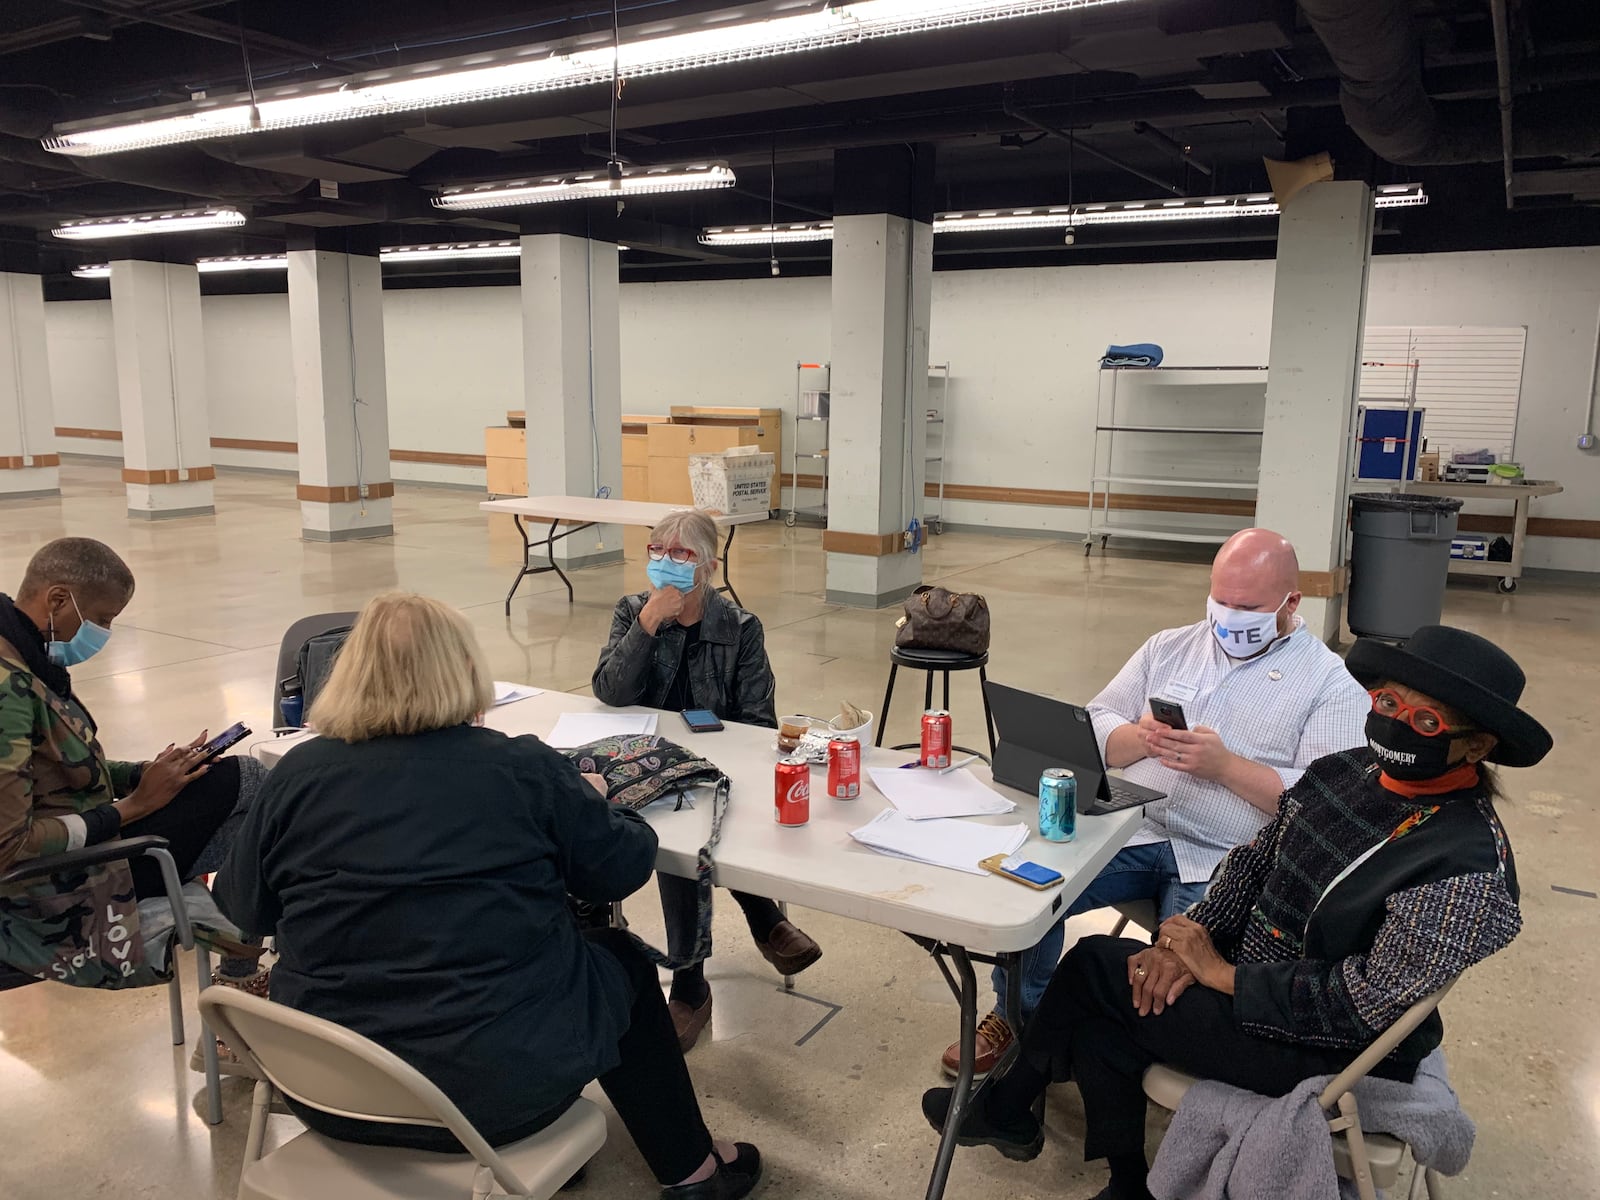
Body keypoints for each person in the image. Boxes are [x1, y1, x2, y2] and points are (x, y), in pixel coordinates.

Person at [923, 624, 1549, 1200]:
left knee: (1094, 967)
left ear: (1479, 745)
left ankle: (1012, 1108)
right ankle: (1113, 1173)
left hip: (1330, 1048)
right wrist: (1188, 937)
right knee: (1122, 990)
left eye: (1426, 721)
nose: (1395, 724)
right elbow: (1254, 861)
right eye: (1386, 704)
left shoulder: (1470, 869)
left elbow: (1362, 1005)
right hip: (1255, 982)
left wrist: (1220, 974)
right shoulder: (1346, 772)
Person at [214, 592, 762, 1200]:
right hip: (495, 1100)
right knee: (622, 960)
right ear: (465, 672)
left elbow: (242, 909)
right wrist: (593, 801)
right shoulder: (520, 768)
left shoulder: (297, 774)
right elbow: (620, 870)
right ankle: (692, 1172)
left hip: (325, 1089)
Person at [941, 528, 1367, 1077]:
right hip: (1134, 827)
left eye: (1248, 608)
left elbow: (1328, 806)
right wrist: (1139, 739)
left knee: (1178, 977)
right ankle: (1022, 1019)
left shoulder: (1329, 683)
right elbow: (1094, 723)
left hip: (1226, 859)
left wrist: (1226, 767)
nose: (1230, 619)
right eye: (1221, 602)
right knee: (1030, 895)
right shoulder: (1170, 647)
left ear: (1291, 602)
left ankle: (1133, 1064)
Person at [593, 507, 820, 1051]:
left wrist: (715, 751)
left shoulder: (739, 627)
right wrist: (648, 626)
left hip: (717, 767)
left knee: (693, 820)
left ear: (709, 565)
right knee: (677, 827)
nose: (666, 562)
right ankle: (742, 933)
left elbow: (759, 719)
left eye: (681, 553)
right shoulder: (632, 611)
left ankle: (693, 982)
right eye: (657, 551)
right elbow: (610, 690)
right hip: (645, 764)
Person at [0, 537, 267, 997]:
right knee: (258, 801)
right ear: (58, 599)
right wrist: (132, 808)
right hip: (59, 886)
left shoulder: (24, 655)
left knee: (255, 819)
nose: (102, 632)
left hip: (88, 847)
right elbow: (11, 845)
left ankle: (239, 984)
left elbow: (57, 767)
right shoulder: (8, 689)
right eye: (102, 619)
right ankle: (245, 984)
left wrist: (142, 772)